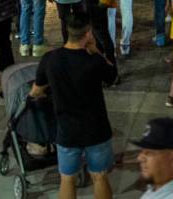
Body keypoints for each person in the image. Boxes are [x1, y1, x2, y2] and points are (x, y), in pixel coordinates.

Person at [31, 13, 117, 199]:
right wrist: (97, 51)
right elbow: (112, 75)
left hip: (67, 130)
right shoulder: (94, 61)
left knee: (67, 179)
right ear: (88, 34)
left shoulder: (50, 59)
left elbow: (36, 91)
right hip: (97, 129)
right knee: (100, 177)